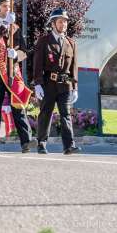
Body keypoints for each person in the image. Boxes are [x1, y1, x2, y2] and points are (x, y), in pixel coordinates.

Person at [0, 0, 35, 154]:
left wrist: (16, 55)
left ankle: (26, 141)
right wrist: (5, 26)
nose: (7, 9)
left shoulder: (16, 28)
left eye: (9, 6)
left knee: (17, 105)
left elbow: (25, 51)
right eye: (4, 6)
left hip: (12, 71)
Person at [33, 8, 81, 155]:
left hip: (65, 85)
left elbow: (73, 67)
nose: (63, 24)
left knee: (66, 114)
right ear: (53, 24)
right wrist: (38, 84)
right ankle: (41, 143)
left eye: (65, 22)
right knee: (45, 113)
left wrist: (75, 86)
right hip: (48, 84)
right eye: (60, 21)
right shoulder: (44, 41)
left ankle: (69, 146)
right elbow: (37, 64)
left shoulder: (71, 43)